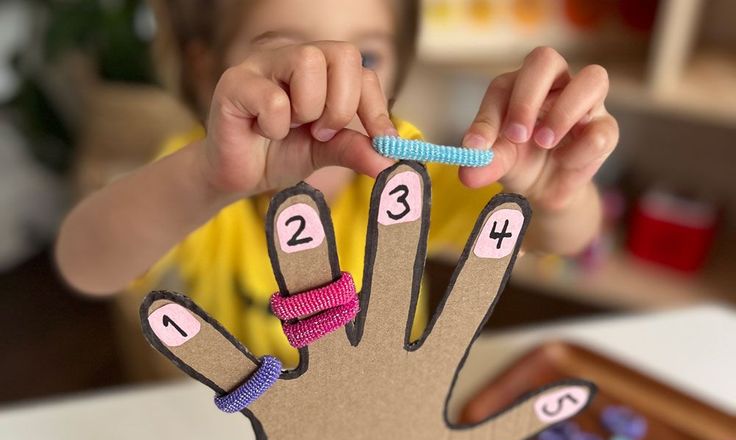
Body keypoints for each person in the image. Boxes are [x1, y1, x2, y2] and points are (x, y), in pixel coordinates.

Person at [55, 0, 618, 365]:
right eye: (287, 54)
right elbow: (84, 263)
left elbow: (559, 237)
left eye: (367, 54)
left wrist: (554, 189)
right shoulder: (198, 171)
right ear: (207, 70)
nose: (333, 84)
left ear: (398, 69)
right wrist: (208, 179)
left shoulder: (408, 171)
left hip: (378, 425)